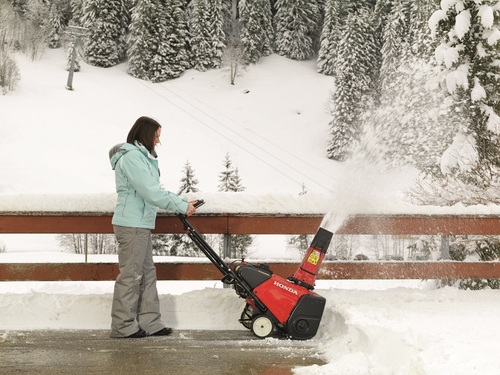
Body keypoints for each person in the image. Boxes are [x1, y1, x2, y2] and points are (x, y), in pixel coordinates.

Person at [108, 116, 197, 338]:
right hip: (131, 225)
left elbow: (152, 190)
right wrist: (181, 205)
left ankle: (150, 323)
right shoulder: (132, 159)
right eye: (156, 136)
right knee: (131, 276)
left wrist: (182, 203)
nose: (158, 141)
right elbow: (151, 192)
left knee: (147, 274)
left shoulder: (141, 157)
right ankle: (123, 326)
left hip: (140, 224)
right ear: (146, 134)